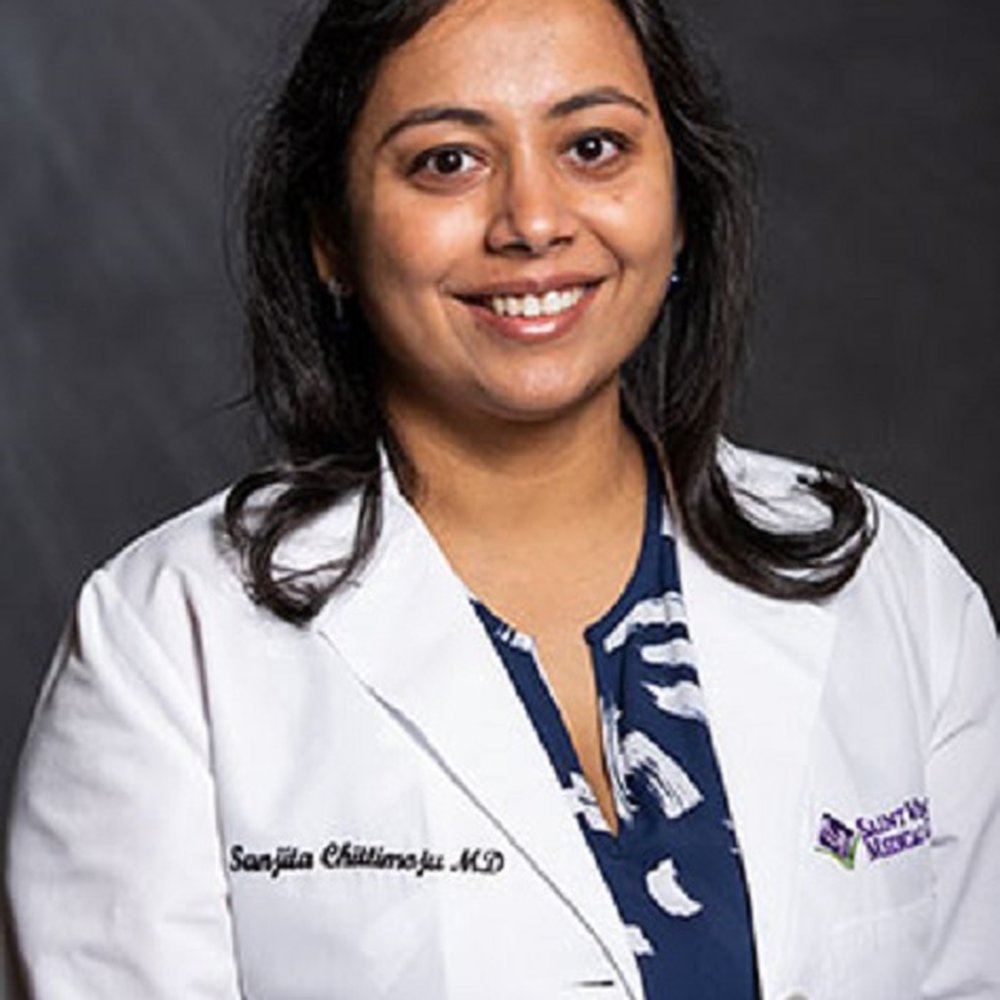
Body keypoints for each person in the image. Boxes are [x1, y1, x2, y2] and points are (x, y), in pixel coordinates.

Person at [5, 0, 999, 996]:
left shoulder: (895, 589)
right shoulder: (166, 642)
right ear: (329, 235)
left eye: (593, 146)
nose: (533, 221)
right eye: (448, 161)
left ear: (679, 200)